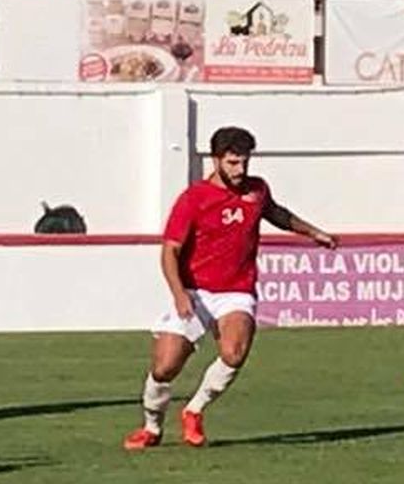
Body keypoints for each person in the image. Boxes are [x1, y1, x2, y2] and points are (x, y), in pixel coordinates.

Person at [124, 126, 336, 450]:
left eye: (244, 163)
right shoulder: (194, 199)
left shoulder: (257, 190)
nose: (240, 171)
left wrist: (313, 232)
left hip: (236, 291)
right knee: (164, 366)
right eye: (233, 163)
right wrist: (180, 294)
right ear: (216, 160)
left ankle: (194, 411)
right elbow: (170, 251)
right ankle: (151, 427)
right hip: (195, 290)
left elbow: (276, 213)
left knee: (234, 353)